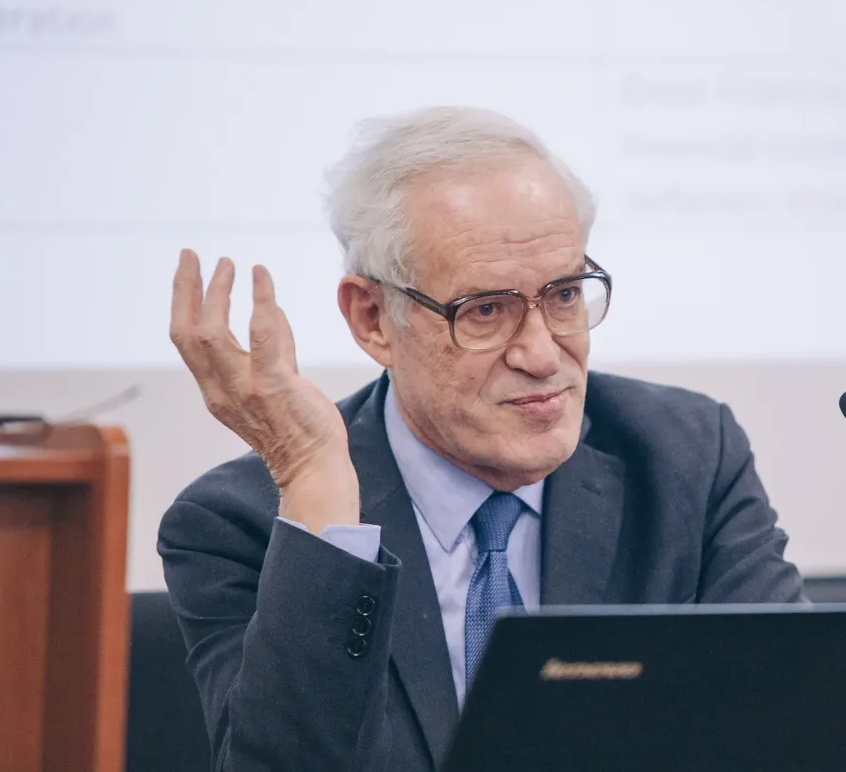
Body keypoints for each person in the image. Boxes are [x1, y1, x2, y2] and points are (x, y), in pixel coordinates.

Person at [159, 106, 806, 772]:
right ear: (373, 318)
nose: (541, 354)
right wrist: (315, 485)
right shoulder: (243, 524)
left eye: (564, 295)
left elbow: (797, 720)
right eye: (486, 310)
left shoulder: (687, 458)